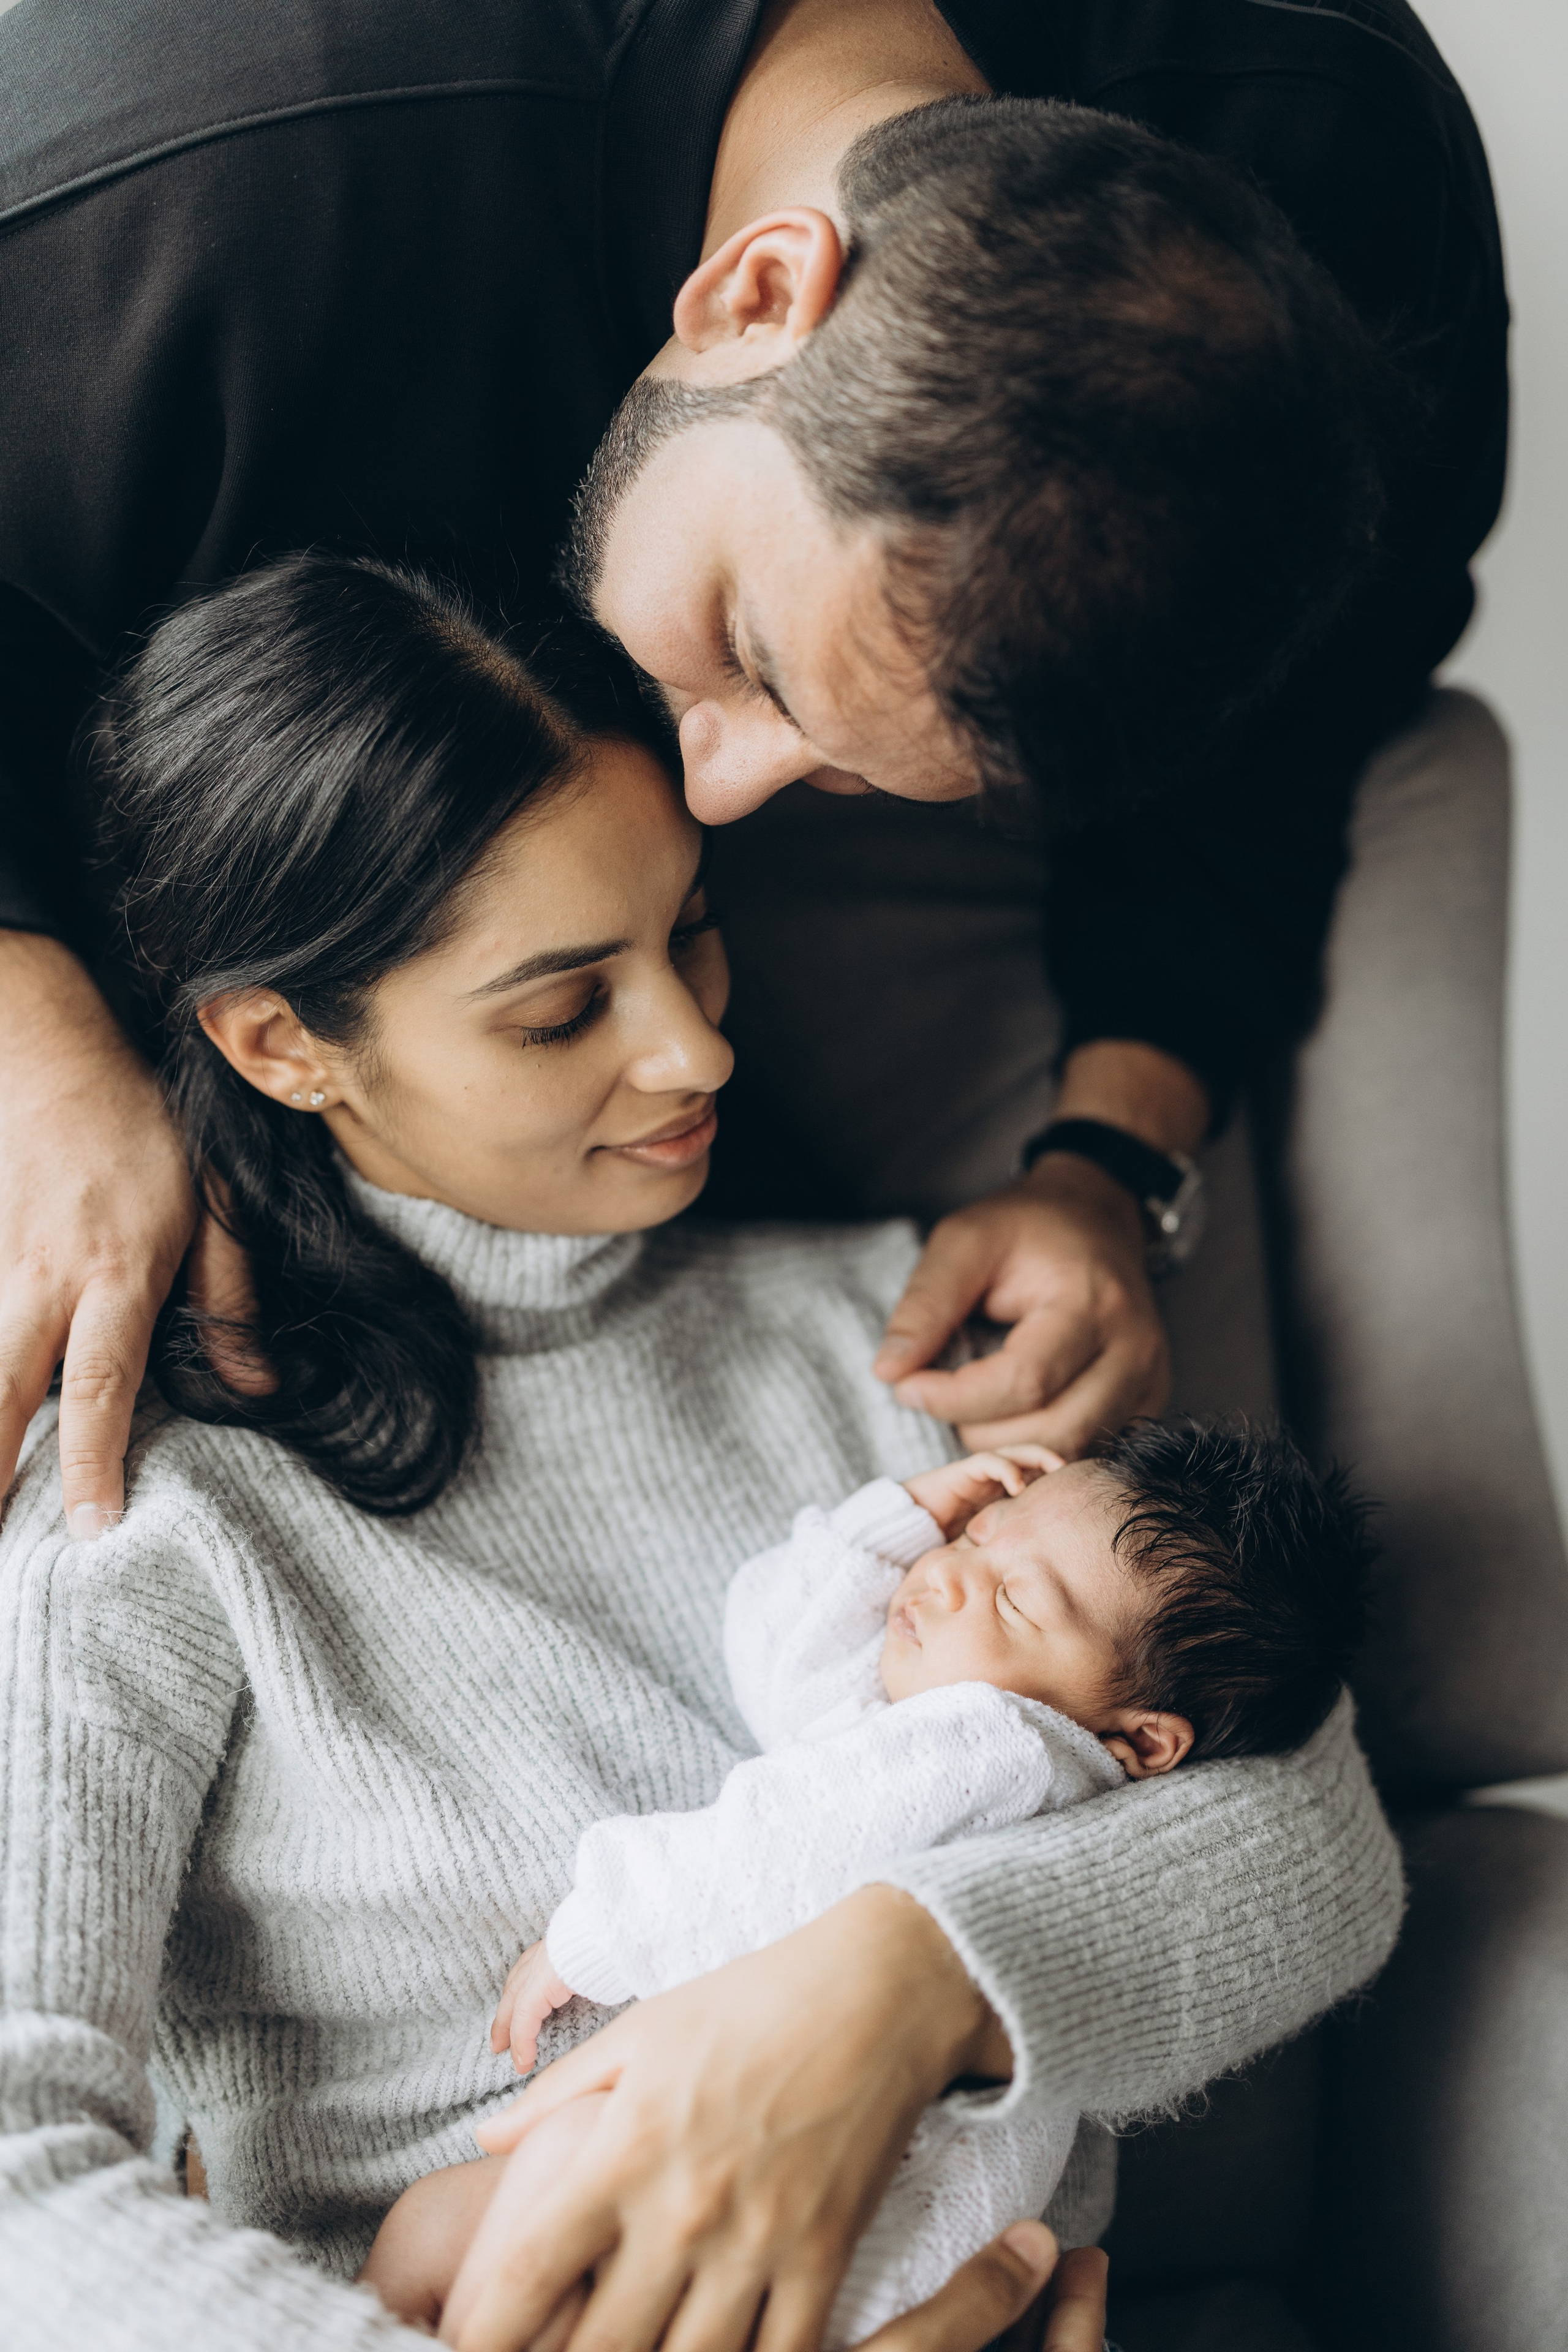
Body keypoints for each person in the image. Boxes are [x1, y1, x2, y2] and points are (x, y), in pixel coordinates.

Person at [0, 554, 1400, 2351]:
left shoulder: (901, 1333)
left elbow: (1323, 1836)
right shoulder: (145, 1492)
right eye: (563, 1007)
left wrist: (904, 1983)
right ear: (285, 1045)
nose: (695, 1045)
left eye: (696, 932)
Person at [0, 0, 1503, 1519]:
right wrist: (41, 1047)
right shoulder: (185, 190)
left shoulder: (1348, 210)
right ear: (757, 290)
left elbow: (1280, 752)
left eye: (852, 763)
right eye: (752, 654)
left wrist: (1107, 1164)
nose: (715, 795)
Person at [360, 1424, 1370, 2340]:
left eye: (1016, 1600)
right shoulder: (975, 1724)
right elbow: (780, 1665)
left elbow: (773, 1847)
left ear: (1141, 1740)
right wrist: (898, 1527)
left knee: (454, 2226)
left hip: (863, 2200)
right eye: (977, 1534)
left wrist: (600, 1931)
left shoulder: (993, 1748)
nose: (943, 1578)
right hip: (912, 2241)